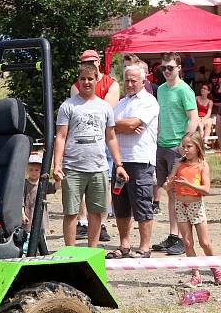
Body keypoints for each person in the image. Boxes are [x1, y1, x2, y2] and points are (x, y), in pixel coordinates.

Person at [52, 62, 128, 248]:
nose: (86, 82)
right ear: (78, 81)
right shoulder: (67, 106)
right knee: (71, 212)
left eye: (90, 79)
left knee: (96, 212)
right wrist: (57, 164)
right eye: (83, 79)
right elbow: (61, 136)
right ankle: (70, 253)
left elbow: (110, 137)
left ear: (96, 80)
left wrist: (118, 164)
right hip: (73, 168)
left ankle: (91, 251)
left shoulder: (105, 107)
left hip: (99, 168)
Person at [106, 63, 159, 259]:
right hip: (120, 160)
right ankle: (124, 244)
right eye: (126, 80)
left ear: (143, 81)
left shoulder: (149, 101)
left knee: (142, 203)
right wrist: (122, 126)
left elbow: (132, 124)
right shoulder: (121, 103)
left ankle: (145, 247)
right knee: (120, 204)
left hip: (140, 159)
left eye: (133, 80)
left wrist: (121, 125)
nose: (129, 84)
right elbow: (110, 126)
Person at [151, 53, 199, 256]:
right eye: (163, 68)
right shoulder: (161, 90)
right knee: (170, 192)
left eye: (170, 67)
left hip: (176, 148)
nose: (166, 71)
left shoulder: (184, 89)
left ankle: (182, 238)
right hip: (162, 145)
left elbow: (194, 117)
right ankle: (174, 236)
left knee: (179, 194)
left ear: (179, 68)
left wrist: (184, 144)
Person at [71, 49, 119, 241]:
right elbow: (77, 109)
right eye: (85, 61)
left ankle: (103, 223)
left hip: (102, 140)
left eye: (92, 60)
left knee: (105, 180)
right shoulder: (77, 85)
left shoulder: (111, 83)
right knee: (80, 179)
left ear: (99, 62)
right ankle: (83, 222)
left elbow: (105, 111)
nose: (90, 63)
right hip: (80, 141)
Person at [163, 132, 220, 286]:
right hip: (180, 205)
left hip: (196, 205)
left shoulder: (202, 165)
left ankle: (215, 269)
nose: (185, 150)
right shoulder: (179, 164)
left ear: (198, 146)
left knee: (204, 242)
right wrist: (170, 183)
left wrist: (188, 184)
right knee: (187, 242)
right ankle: (196, 275)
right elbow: (167, 185)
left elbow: (206, 190)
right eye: (184, 147)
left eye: (189, 146)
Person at [22, 152, 56, 233]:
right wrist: (22, 214)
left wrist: (58, 179)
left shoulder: (43, 182)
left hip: (41, 216)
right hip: (28, 214)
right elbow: (21, 200)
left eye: (37, 170)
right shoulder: (24, 184)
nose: (34, 172)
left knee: (41, 235)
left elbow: (54, 188)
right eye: (31, 170)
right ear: (27, 169)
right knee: (28, 236)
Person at [196, 83, 215, 147]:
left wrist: (203, 119)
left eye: (204, 88)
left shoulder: (210, 102)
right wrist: (198, 118)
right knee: (199, 125)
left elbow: (209, 113)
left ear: (208, 92)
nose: (202, 89)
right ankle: (199, 142)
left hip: (205, 117)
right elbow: (194, 110)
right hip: (196, 116)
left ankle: (205, 142)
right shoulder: (196, 98)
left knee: (208, 123)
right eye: (202, 88)